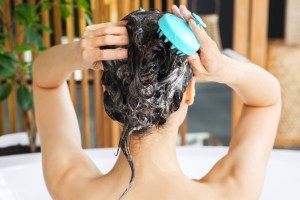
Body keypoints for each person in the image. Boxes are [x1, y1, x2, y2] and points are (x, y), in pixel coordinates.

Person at [33, 5, 281, 200]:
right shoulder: (231, 192)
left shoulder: (71, 186)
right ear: (188, 93)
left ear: (107, 90)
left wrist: (78, 52)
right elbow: (267, 100)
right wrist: (223, 68)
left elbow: (45, 80)